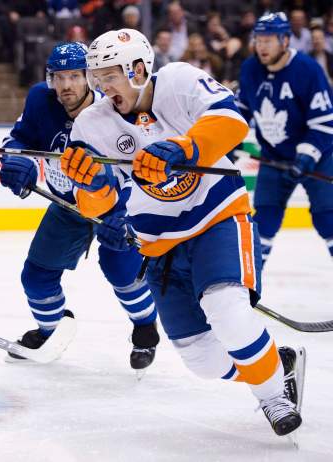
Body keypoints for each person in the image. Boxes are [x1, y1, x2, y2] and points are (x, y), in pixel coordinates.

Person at [62, 28, 305, 437]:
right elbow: (96, 206)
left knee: (226, 308)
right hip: (160, 246)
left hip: (217, 218)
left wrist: (185, 148)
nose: (102, 87)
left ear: (138, 69)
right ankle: (276, 365)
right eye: (97, 78)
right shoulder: (91, 123)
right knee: (202, 360)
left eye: (110, 76)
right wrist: (92, 185)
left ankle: (273, 396)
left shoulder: (178, 80)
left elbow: (231, 121)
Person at [0, 42, 160, 371]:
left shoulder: (111, 110)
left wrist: (124, 215)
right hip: (66, 205)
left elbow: (137, 173)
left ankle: (145, 327)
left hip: (114, 207)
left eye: (74, 76)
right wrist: (17, 160)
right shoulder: (40, 100)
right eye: (58, 77)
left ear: (89, 77)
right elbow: (18, 139)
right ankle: (51, 330)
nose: (66, 85)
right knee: (36, 276)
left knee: (122, 271)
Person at [236, 13, 333, 264]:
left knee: (328, 219)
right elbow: (240, 111)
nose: (262, 46)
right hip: (274, 158)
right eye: (258, 39)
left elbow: (324, 122)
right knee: (264, 220)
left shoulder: (308, 70)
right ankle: (249, 280)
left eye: (268, 40)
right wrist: (228, 138)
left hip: (318, 158)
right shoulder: (250, 69)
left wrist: (306, 158)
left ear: (285, 40)